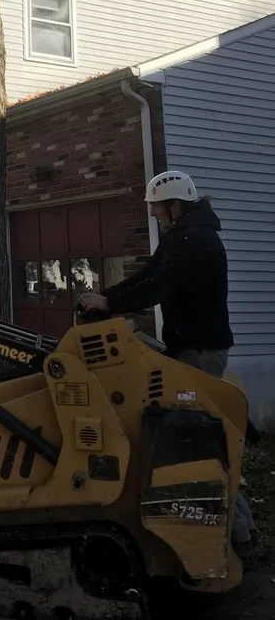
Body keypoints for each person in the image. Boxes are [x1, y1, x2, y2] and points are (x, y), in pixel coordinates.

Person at [80, 169, 257, 554]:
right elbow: (148, 275)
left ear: (175, 206)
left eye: (158, 209)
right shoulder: (183, 235)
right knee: (194, 435)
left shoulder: (194, 241)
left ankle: (234, 531)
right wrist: (105, 297)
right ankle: (230, 527)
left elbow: (160, 287)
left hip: (200, 350)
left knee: (198, 439)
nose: (155, 216)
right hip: (190, 346)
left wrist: (109, 304)